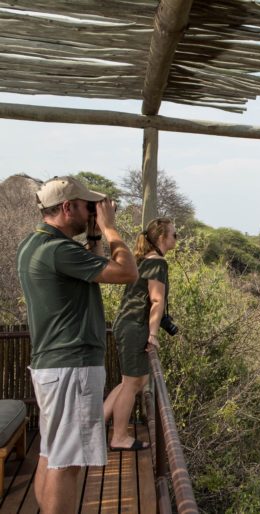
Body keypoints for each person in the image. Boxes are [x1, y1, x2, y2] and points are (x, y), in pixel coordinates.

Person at [16, 176, 138, 514]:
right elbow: (128, 272)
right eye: (88, 207)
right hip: (72, 364)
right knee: (68, 463)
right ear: (67, 207)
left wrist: (95, 235)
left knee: (52, 453)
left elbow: (91, 271)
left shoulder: (35, 244)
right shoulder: (59, 251)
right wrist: (111, 229)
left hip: (53, 364)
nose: (92, 214)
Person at [103, 218, 177, 451]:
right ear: (162, 238)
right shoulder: (157, 263)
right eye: (175, 235)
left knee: (132, 380)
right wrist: (153, 335)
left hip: (127, 323)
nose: (177, 239)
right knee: (133, 383)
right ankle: (119, 437)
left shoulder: (144, 260)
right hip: (135, 326)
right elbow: (156, 301)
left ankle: (95, 426)